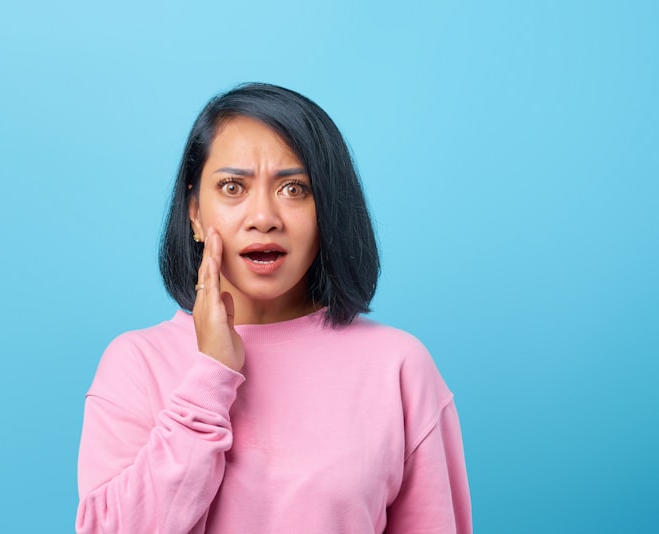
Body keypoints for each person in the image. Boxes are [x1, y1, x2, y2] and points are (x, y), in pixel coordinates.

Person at [75, 83, 472, 533]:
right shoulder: (135, 364)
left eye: (294, 188)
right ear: (194, 212)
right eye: (232, 186)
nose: (264, 216)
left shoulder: (398, 367)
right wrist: (211, 377)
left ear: (328, 209)